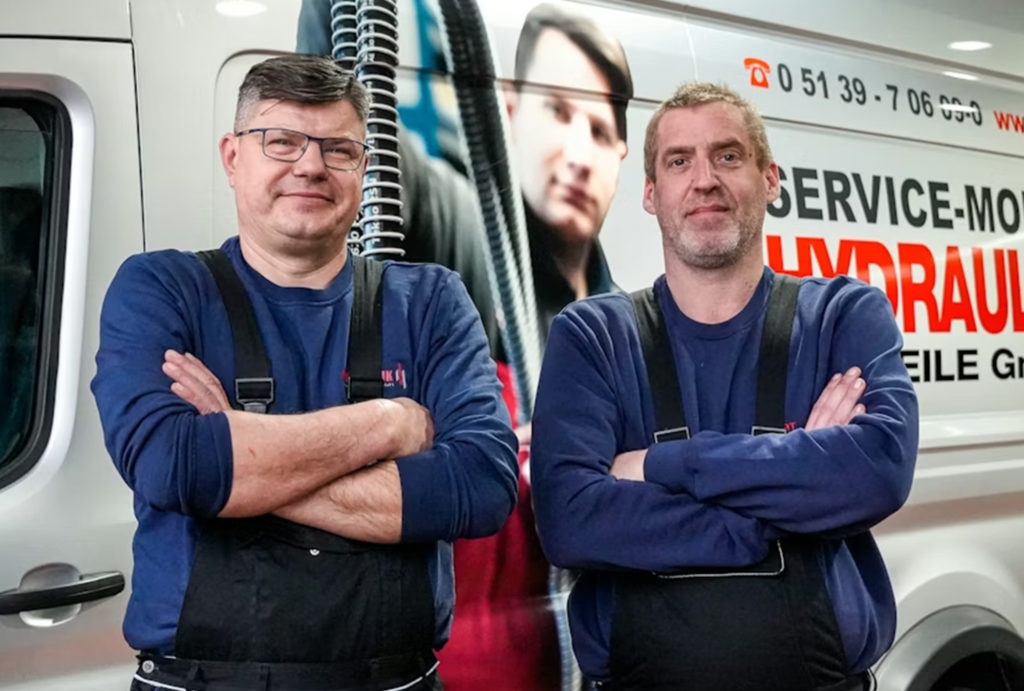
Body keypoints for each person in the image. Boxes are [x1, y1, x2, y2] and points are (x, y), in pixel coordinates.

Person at [91, 54, 518, 691]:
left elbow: (480, 486)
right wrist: (389, 423)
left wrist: (237, 459)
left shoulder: (430, 302)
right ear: (233, 157)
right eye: (282, 141)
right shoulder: (161, 290)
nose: (311, 165)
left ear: (363, 169)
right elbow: (172, 466)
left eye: (338, 149)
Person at [531, 82, 919, 690]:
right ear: (651, 194)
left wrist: (656, 465)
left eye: (728, 156)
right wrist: (781, 502)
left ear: (770, 179)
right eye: (679, 161)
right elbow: (569, 520)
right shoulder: (592, 335)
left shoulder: (843, 315)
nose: (705, 179)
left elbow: (878, 471)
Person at [298, 5, 633, 689]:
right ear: (509, 112)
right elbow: (358, 127)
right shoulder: (460, 238)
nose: (577, 152)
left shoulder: (625, 326)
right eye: (558, 112)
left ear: (623, 156)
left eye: (599, 130)